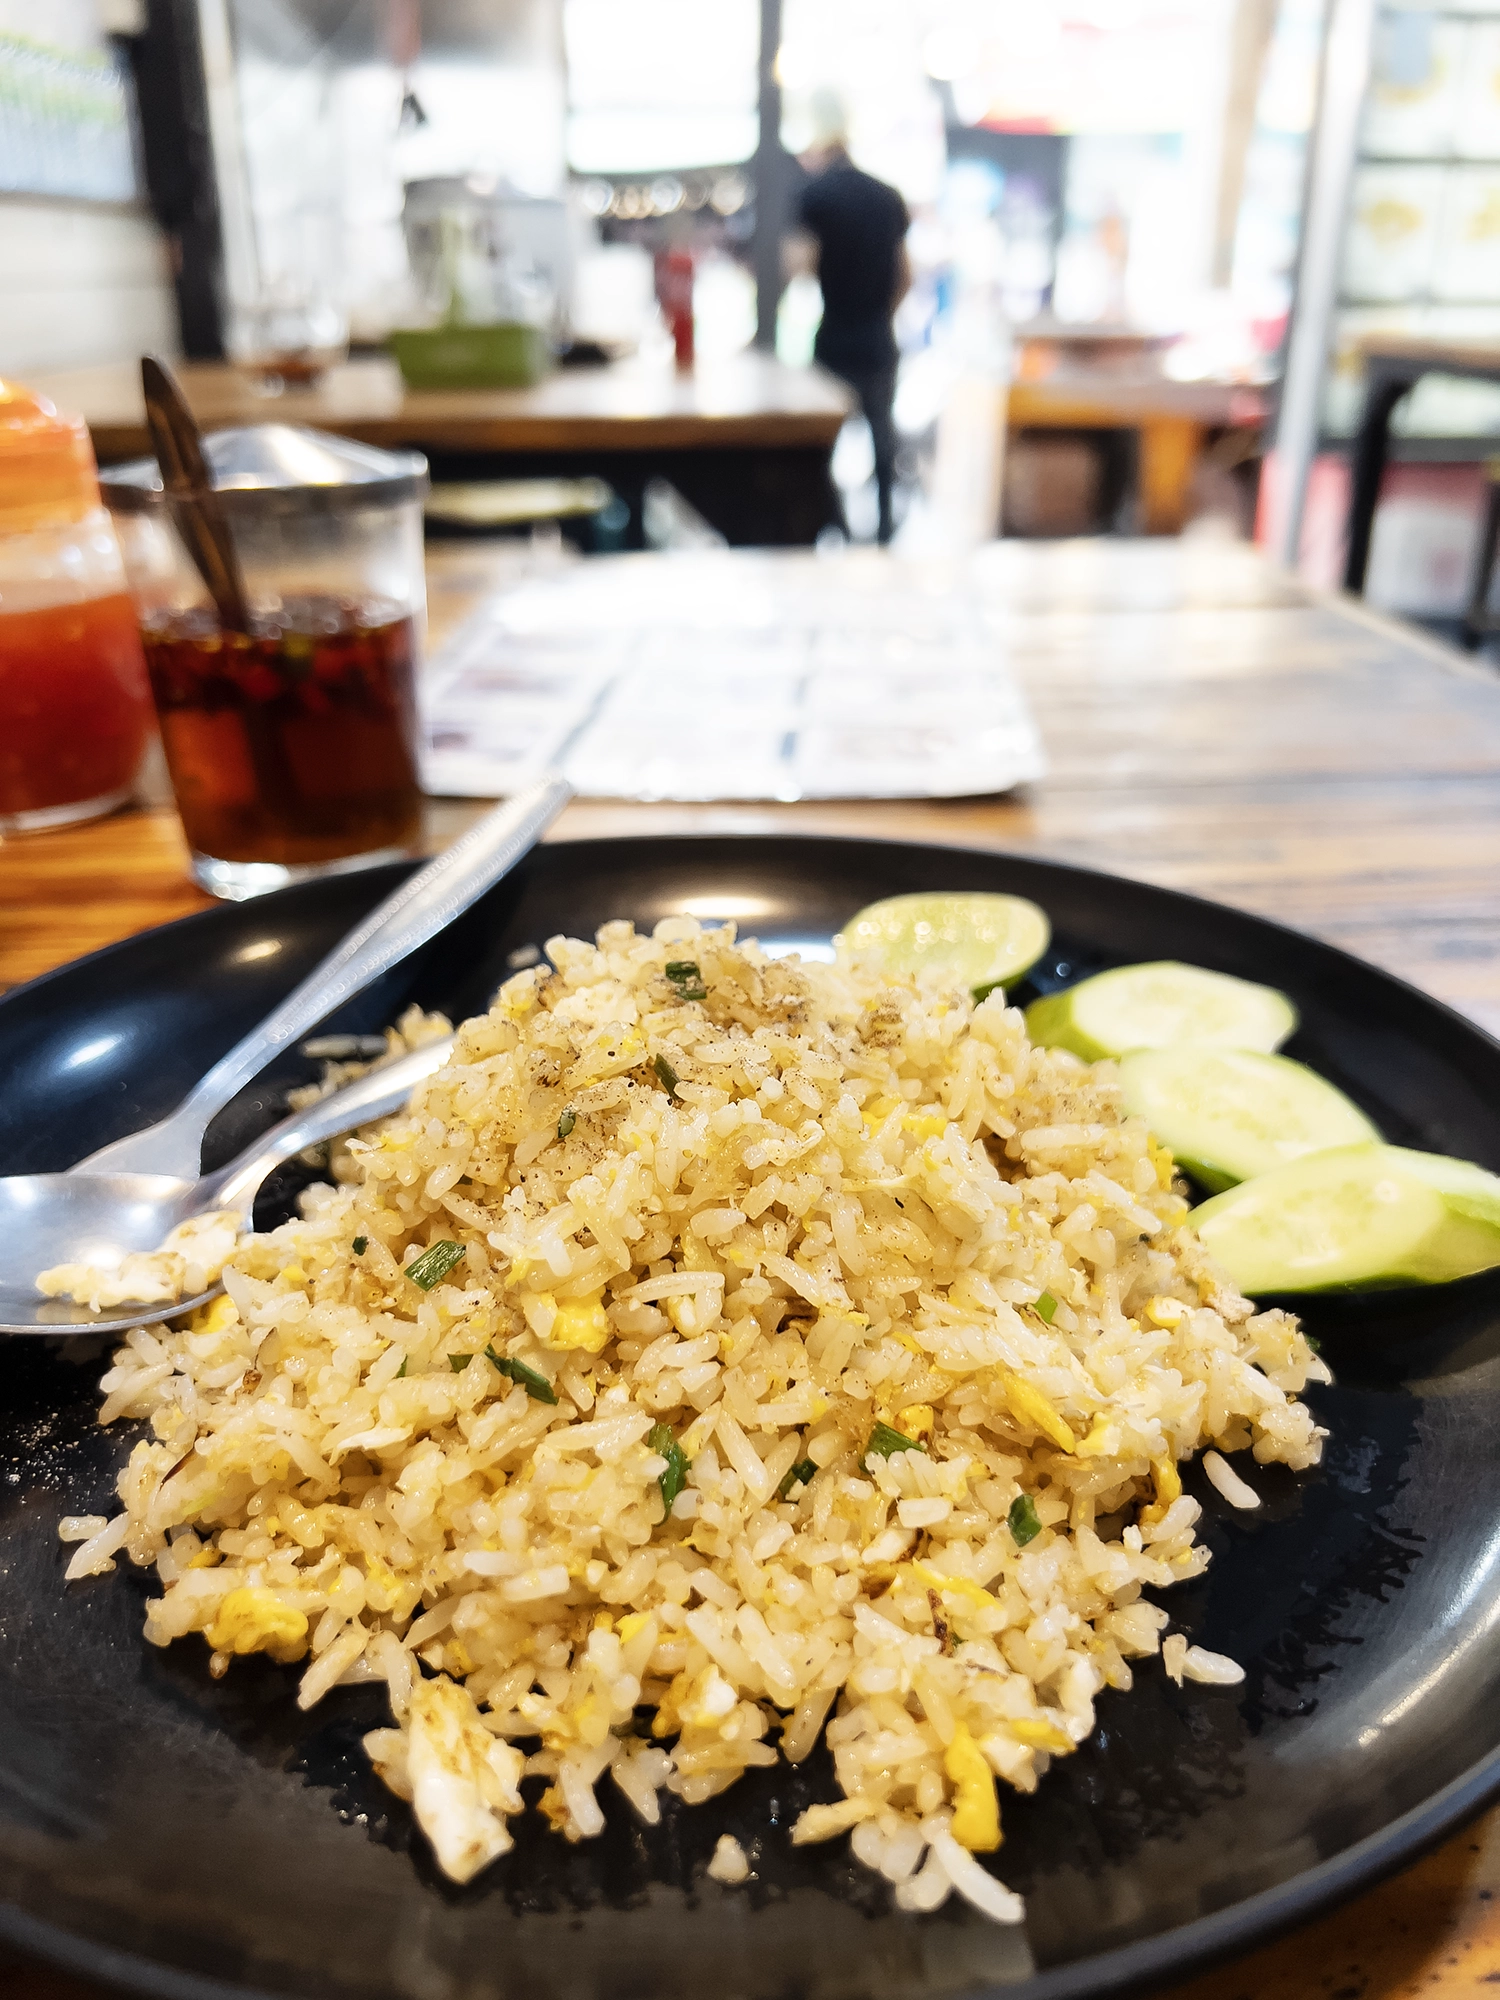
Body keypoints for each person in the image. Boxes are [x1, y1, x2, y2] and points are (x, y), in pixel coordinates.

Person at [793, 104, 911, 544]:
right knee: (883, 444)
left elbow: (803, 265)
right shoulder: (887, 196)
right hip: (877, 335)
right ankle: (883, 536)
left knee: (819, 447)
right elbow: (905, 277)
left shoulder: (815, 196)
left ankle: (839, 531)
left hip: (835, 337)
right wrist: (882, 316)